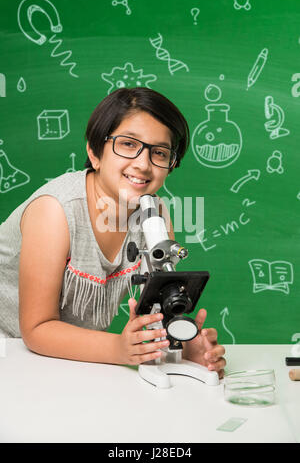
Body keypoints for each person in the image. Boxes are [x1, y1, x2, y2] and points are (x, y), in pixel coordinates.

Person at [0, 87, 225, 376]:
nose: (143, 164)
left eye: (159, 152)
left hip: (63, 361)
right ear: (95, 152)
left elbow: (153, 313)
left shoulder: (154, 216)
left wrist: (179, 346)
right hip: (12, 352)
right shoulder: (55, 211)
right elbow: (36, 329)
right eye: (129, 144)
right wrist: (118, 349)